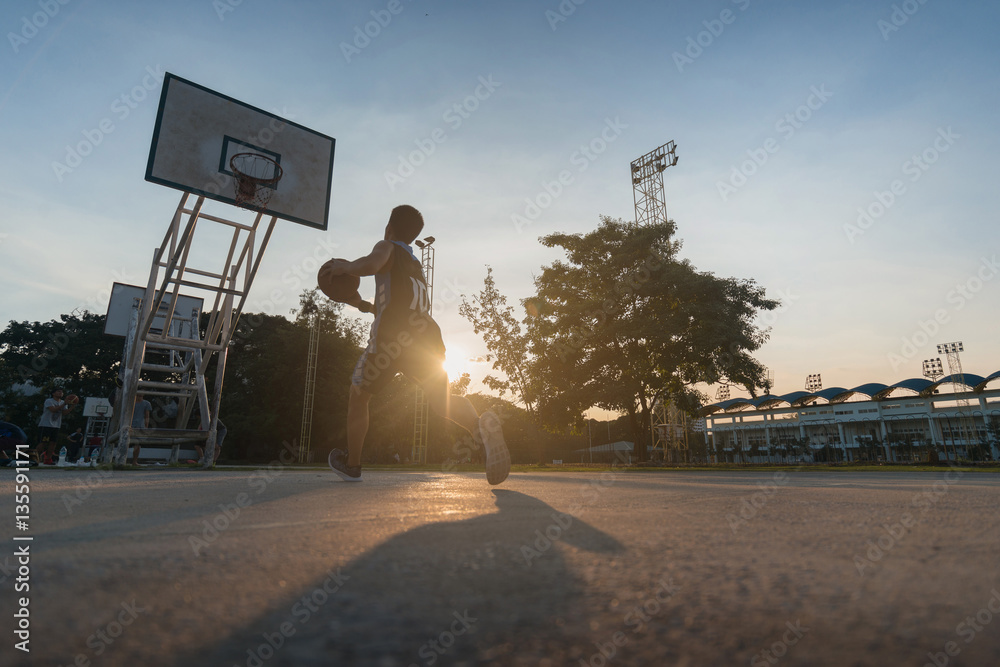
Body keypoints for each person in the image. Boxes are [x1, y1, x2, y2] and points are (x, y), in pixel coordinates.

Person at [321, 205, 510, 484]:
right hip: (427, 338)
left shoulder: (386, 246)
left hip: (391, 340)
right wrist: (361, 304)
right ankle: (480, 427)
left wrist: (345, 267)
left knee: (359, 393)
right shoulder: (415, 265)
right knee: (441, 403)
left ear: (389, 228)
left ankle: (352, 465)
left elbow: (371, 264)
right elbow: (395, 306)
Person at [36, 387, 75, 465]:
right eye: (58, 391)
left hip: (56, 425)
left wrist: (72, 406)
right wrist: (64, 404)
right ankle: (34, 457)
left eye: (62, 392)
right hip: (46, 425)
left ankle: (48, 459)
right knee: (43, 442)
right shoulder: (49, 401)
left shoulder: (63, 402)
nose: (60, 393)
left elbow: (64, 413)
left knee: (53, 443)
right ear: (53, 393)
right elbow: (53, 410)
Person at [130, 392, 152, 466]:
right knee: (126, 442)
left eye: (141, 396)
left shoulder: (146, 403)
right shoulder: (131, 402)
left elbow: (147, 415)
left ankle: (134, 461)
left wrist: (146, 426)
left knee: (137, 444)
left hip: (140, 426)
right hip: (130, 425)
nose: (139, 397)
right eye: (138, 396)